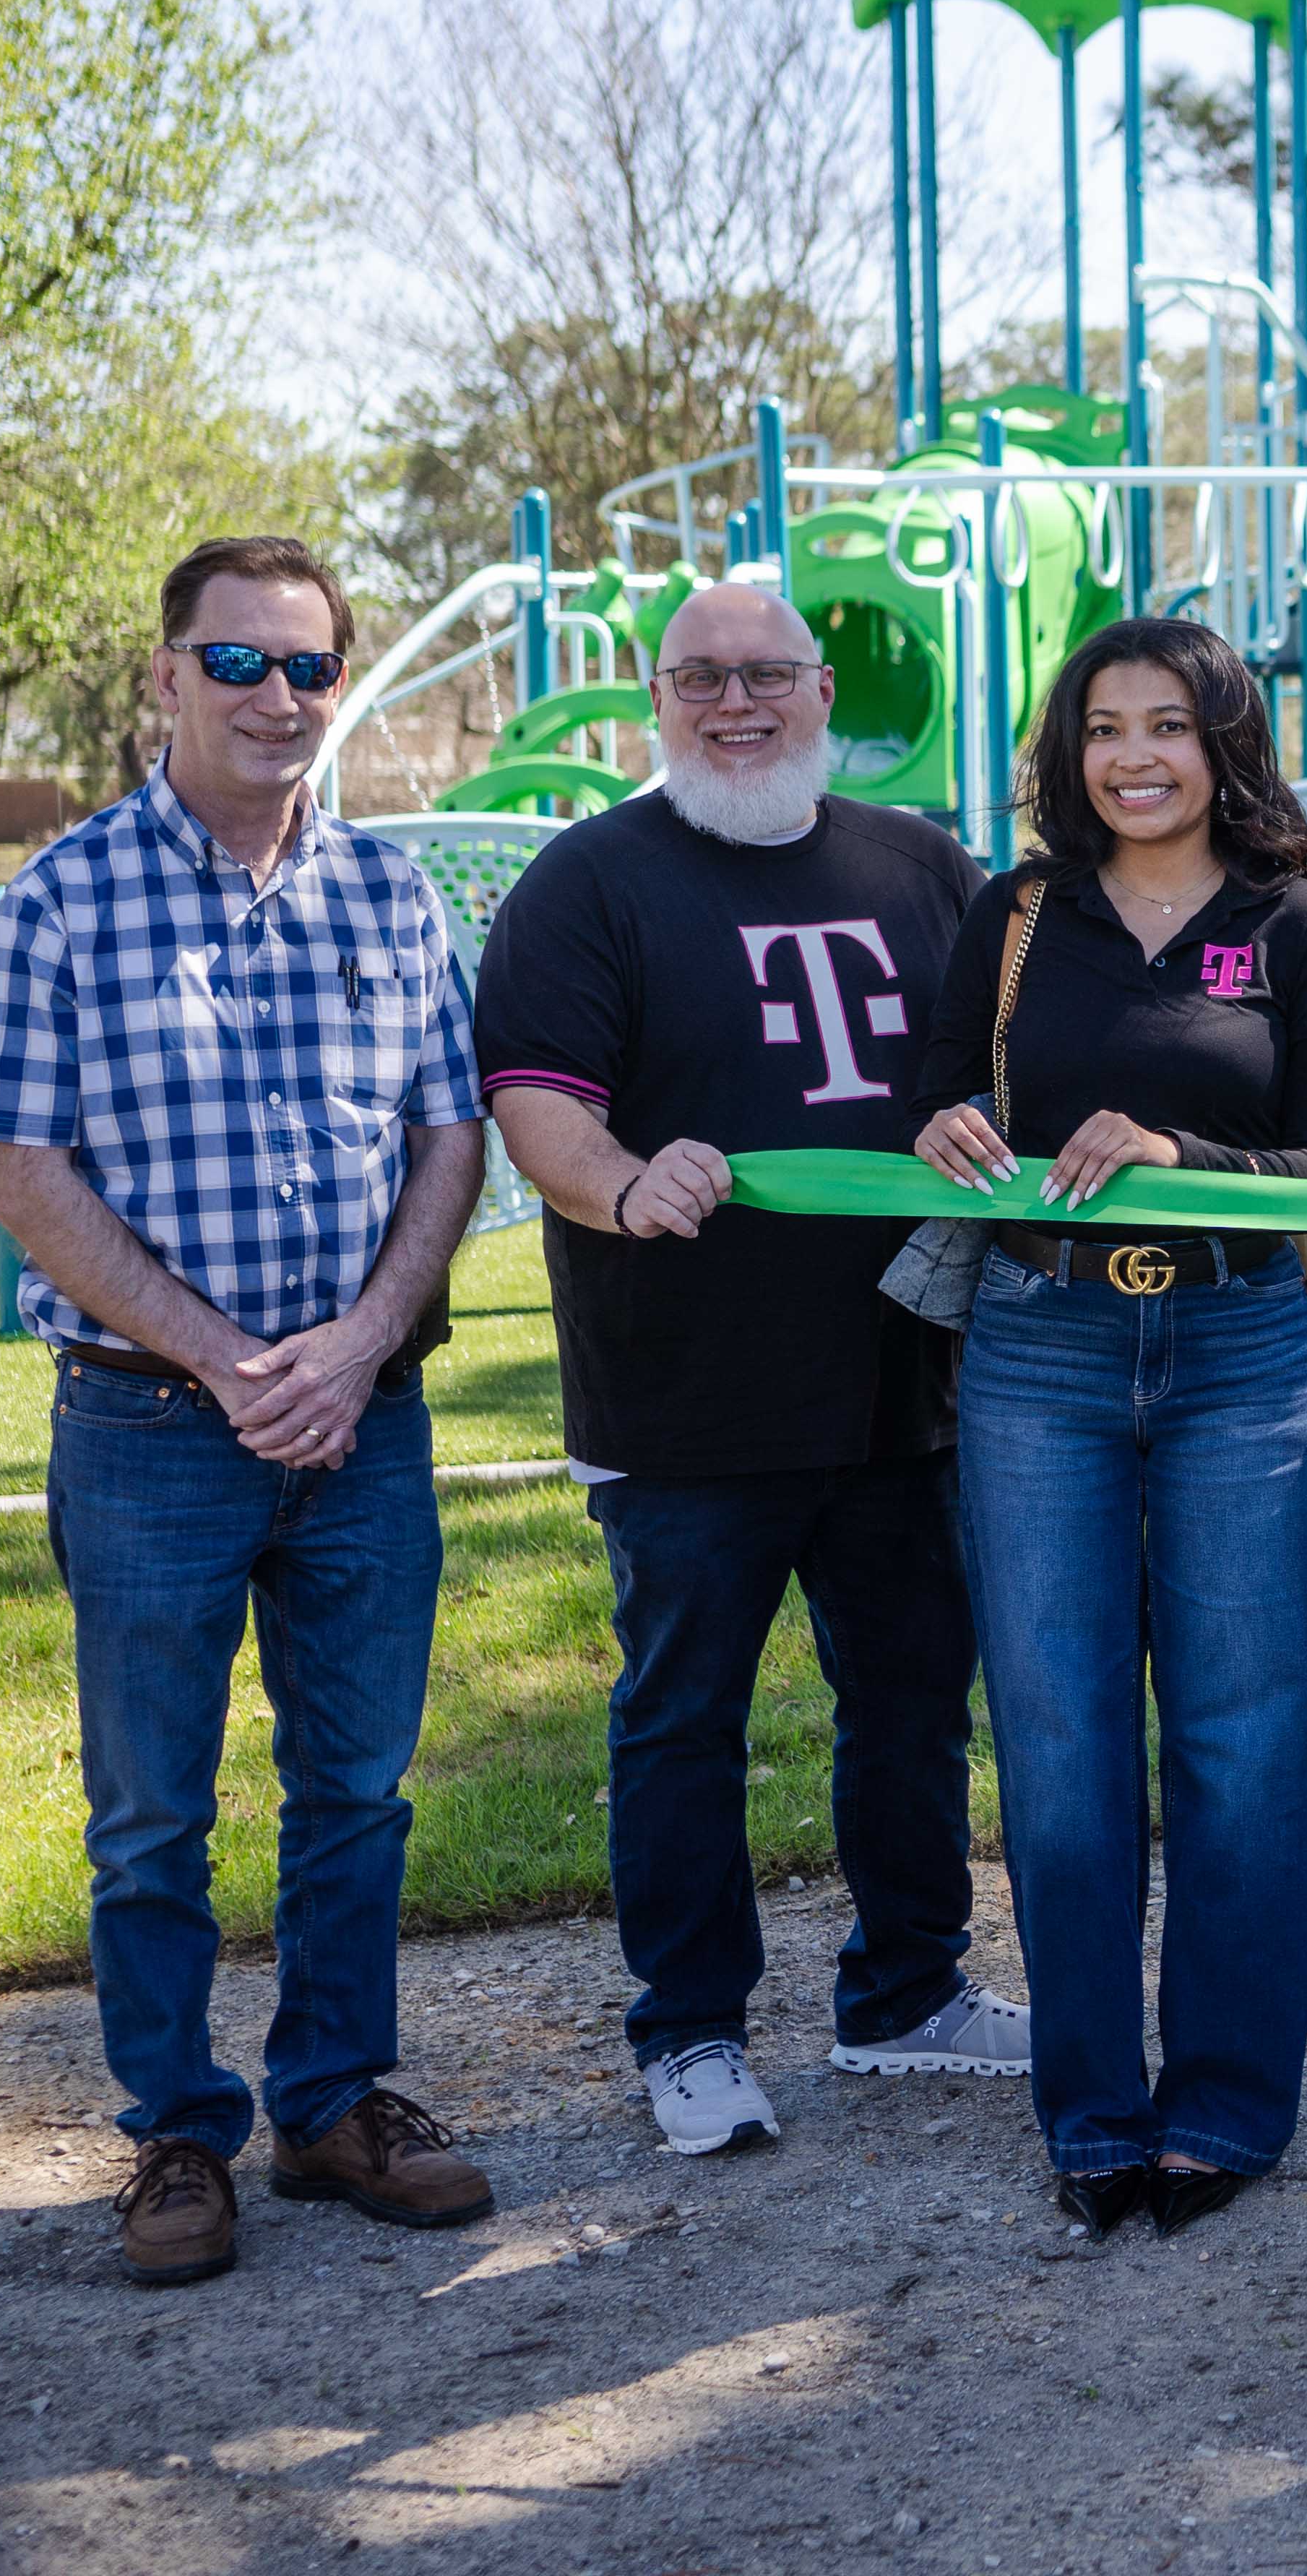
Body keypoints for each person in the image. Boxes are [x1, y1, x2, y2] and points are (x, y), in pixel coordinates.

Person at [0, 535, 491, 2288]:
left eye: (309, 667)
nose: (280, 698)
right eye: (240, 663)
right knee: (150, 1812)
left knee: (356, 1785)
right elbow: (25, 1176)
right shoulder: (60, 897)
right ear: (166, 680)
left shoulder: (395, 895)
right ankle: (176, 2132)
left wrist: (358, 1343)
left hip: (366, 1421)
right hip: (146, 1432)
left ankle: (335, 2099)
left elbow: (449, 1141)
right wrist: (218, 1353)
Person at [475, 582, 1018, 2163]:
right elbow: (540, 1103)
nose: (737, 701)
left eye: (766, 673)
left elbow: (1008, 1063)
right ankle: (692, 2028)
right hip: (687, 1395)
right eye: (700, 675)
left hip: (903, 1381)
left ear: (821, 685)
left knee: (914, 1702)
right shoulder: (588, 880)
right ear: (654, 695)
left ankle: (909, 1990)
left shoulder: (922, 864)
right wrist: (620, 1181)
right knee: (681, 1717)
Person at [909, 618, 1307, 2237]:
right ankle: (1093, 2107)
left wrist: (1178, 1149)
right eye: (1104, 727)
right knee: (1061, 1741)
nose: (1134, 756)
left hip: (1242, 1341)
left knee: (1244, 1742)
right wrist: (951, 1124)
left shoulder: (1299, 924)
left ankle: (1229, 2105)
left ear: (1224, 739)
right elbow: (938, 1110)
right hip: (1042, 1343)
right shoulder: (1019, 914)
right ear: (1069, 750)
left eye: (1169, 723)